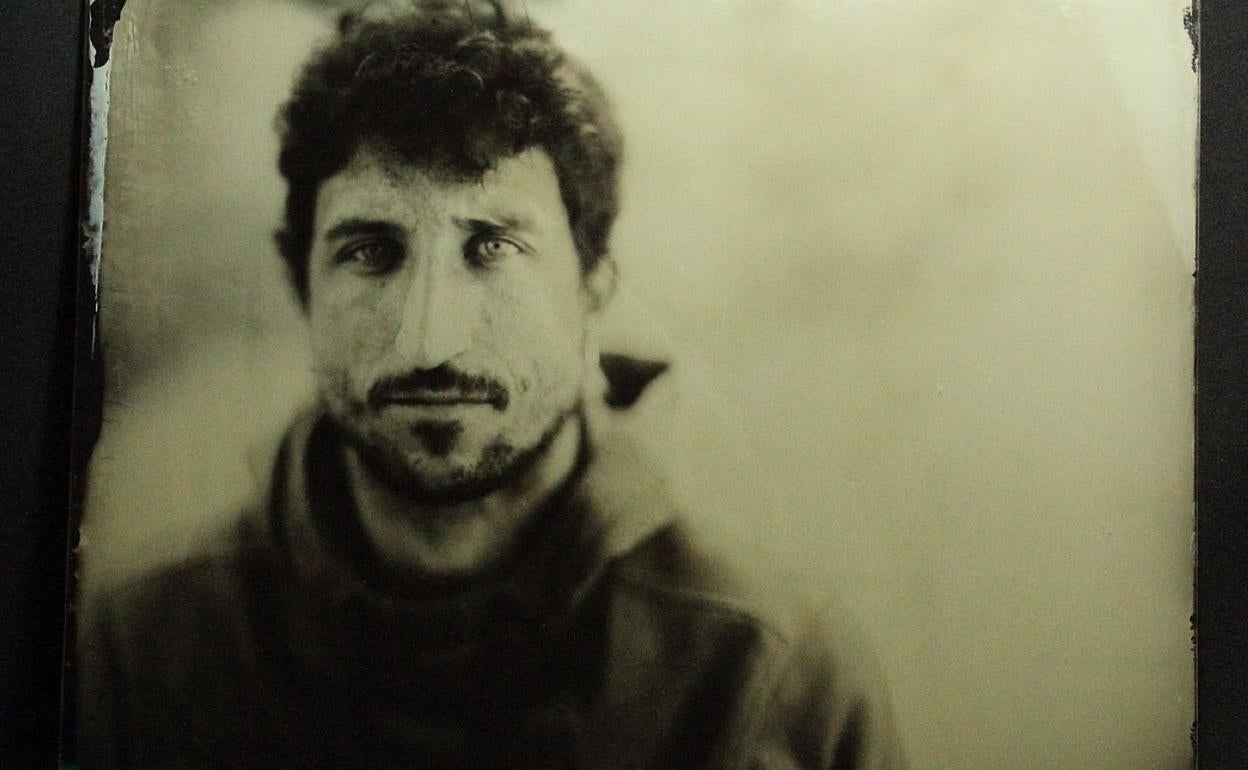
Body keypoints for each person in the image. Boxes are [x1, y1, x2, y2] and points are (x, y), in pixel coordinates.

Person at [76, 2, 907, 767]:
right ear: (303, 286)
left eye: (494, 248)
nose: (430, 341)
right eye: (372, 251)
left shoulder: (768, 674)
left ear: (592, 285)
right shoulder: (140, 648)